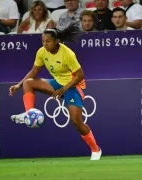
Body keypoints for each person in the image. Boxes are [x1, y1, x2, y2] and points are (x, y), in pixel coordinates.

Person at [9, 23, 102, 160]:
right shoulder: (41, 52)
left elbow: (80, 75)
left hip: (73, 86)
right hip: (57, 83)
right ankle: (29, 113)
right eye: (43, 41)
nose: (45, 44)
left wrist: (63, 89)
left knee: (76, 121)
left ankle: (95, 149)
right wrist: (18, 85)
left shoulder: (68, 54)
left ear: (56, 41)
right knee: (29, 83)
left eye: (48, 41)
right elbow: (34, 71)